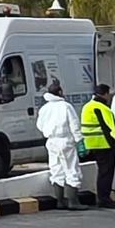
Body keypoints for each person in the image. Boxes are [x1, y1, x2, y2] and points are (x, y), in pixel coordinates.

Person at [36, 79, 85, 211]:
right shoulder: (66, 106)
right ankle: (73, 201)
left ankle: (60, 201)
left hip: (51, 141)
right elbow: (74, 125)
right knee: (72, 170)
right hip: (65, 141)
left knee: (56, 170)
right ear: (59, 92)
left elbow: (40, 125)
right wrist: (79, 140)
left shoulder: (44, 108)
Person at [80, 84, 115, 209]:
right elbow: (107, 128)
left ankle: (103, 198)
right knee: (106, 173)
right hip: (103, 144)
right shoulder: (101, 107)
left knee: (102, 171)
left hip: (92, 143)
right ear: (106, 94)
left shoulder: (88, 106)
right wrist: (114, 145)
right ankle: (104, 199)